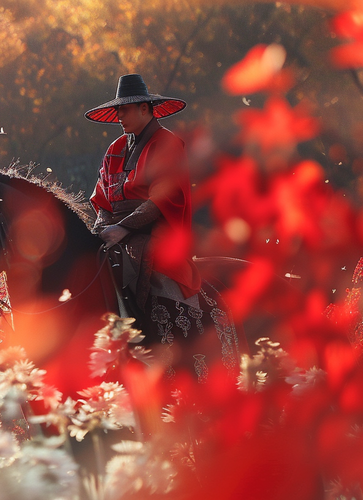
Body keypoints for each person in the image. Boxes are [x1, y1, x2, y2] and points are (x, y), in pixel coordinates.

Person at [85, 74, 240, 377]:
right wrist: (103, 228)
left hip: (156, 233)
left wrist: (124, 229)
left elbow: (161, 200)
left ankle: (181, 356)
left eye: (125, 110)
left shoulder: (168, 144)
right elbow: (102, 199)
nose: (119, 117)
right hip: (117, 233)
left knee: (157, 280)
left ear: (145, 108)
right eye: (117, 111)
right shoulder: (115, 149)